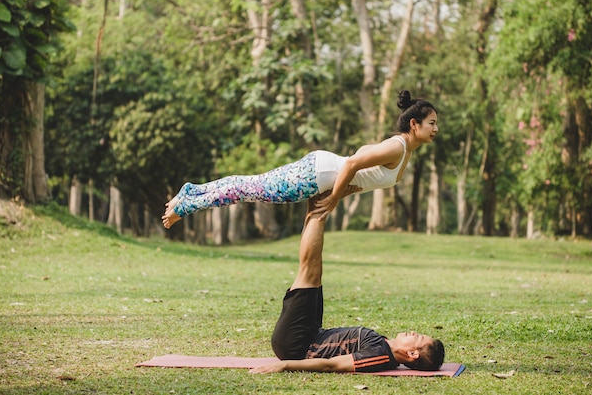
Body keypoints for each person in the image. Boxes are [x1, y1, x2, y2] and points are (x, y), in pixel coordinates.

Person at [162, 90, 438, 229]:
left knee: (249, 185)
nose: (435, 129)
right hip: (316, 175)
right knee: (247, 190)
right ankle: (186, 206)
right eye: (431, 123)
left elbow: (359, 164)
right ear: (414, 124)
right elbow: (353, 163)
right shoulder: (398, 147)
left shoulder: (402, 150)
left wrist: (344, 189)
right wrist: (333, 200)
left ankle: (192, 191)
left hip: (320, 172)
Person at [249, 193, 445, 374]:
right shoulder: (385, 346)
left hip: (297, 344)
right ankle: (317, 201)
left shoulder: (380, 357)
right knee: (313, 273)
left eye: (417, 337)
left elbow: (331, 365)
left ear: (413, 354)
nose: (413, 332)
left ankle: (321, 205)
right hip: (312, 333)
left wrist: (285, 365)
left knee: (308, 272)